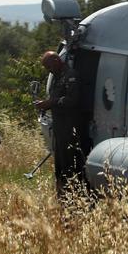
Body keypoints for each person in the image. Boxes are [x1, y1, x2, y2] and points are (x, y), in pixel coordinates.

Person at [35, 49, 86, 201]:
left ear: (57, 61)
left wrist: (51, 102)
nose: (49, 71)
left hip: (70, 129)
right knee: (60, 165)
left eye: (49, 67)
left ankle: (75, 196)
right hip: (60, 129)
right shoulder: (57, 78)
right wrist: (46, 104)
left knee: (71, 164)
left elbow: (73, 100)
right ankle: (62, 196)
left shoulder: (71, 76)